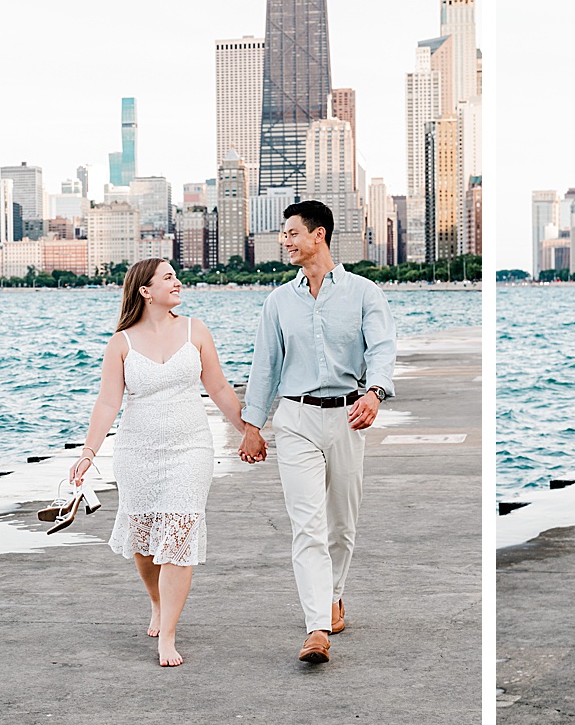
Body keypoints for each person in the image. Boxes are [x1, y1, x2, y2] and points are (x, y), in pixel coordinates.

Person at [238, 201, 396, 665]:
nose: (284, 242)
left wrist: (375, 393)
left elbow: (382, 349)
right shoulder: (278, 302)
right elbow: (265, 367)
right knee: (307, 526)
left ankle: (334, 596)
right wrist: (252, 425)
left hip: (348, 416)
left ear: (318, 235)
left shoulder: (364, 293)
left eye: (291, 233)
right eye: (284, 235)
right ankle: (317, 629)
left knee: (341, 525)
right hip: (296, 420)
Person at [72, 258, 247, 667]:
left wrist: (248, 430)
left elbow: (219, 387)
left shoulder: (195, 331)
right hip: (137, 452)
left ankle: (168, 634)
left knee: (179, 536)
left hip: (191, 449)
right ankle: (156, 601)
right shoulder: (121, 343)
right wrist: (88, 453)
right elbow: (108, 403)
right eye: (168, 277)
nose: (178, 282)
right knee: (145, 540)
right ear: (145, 291)